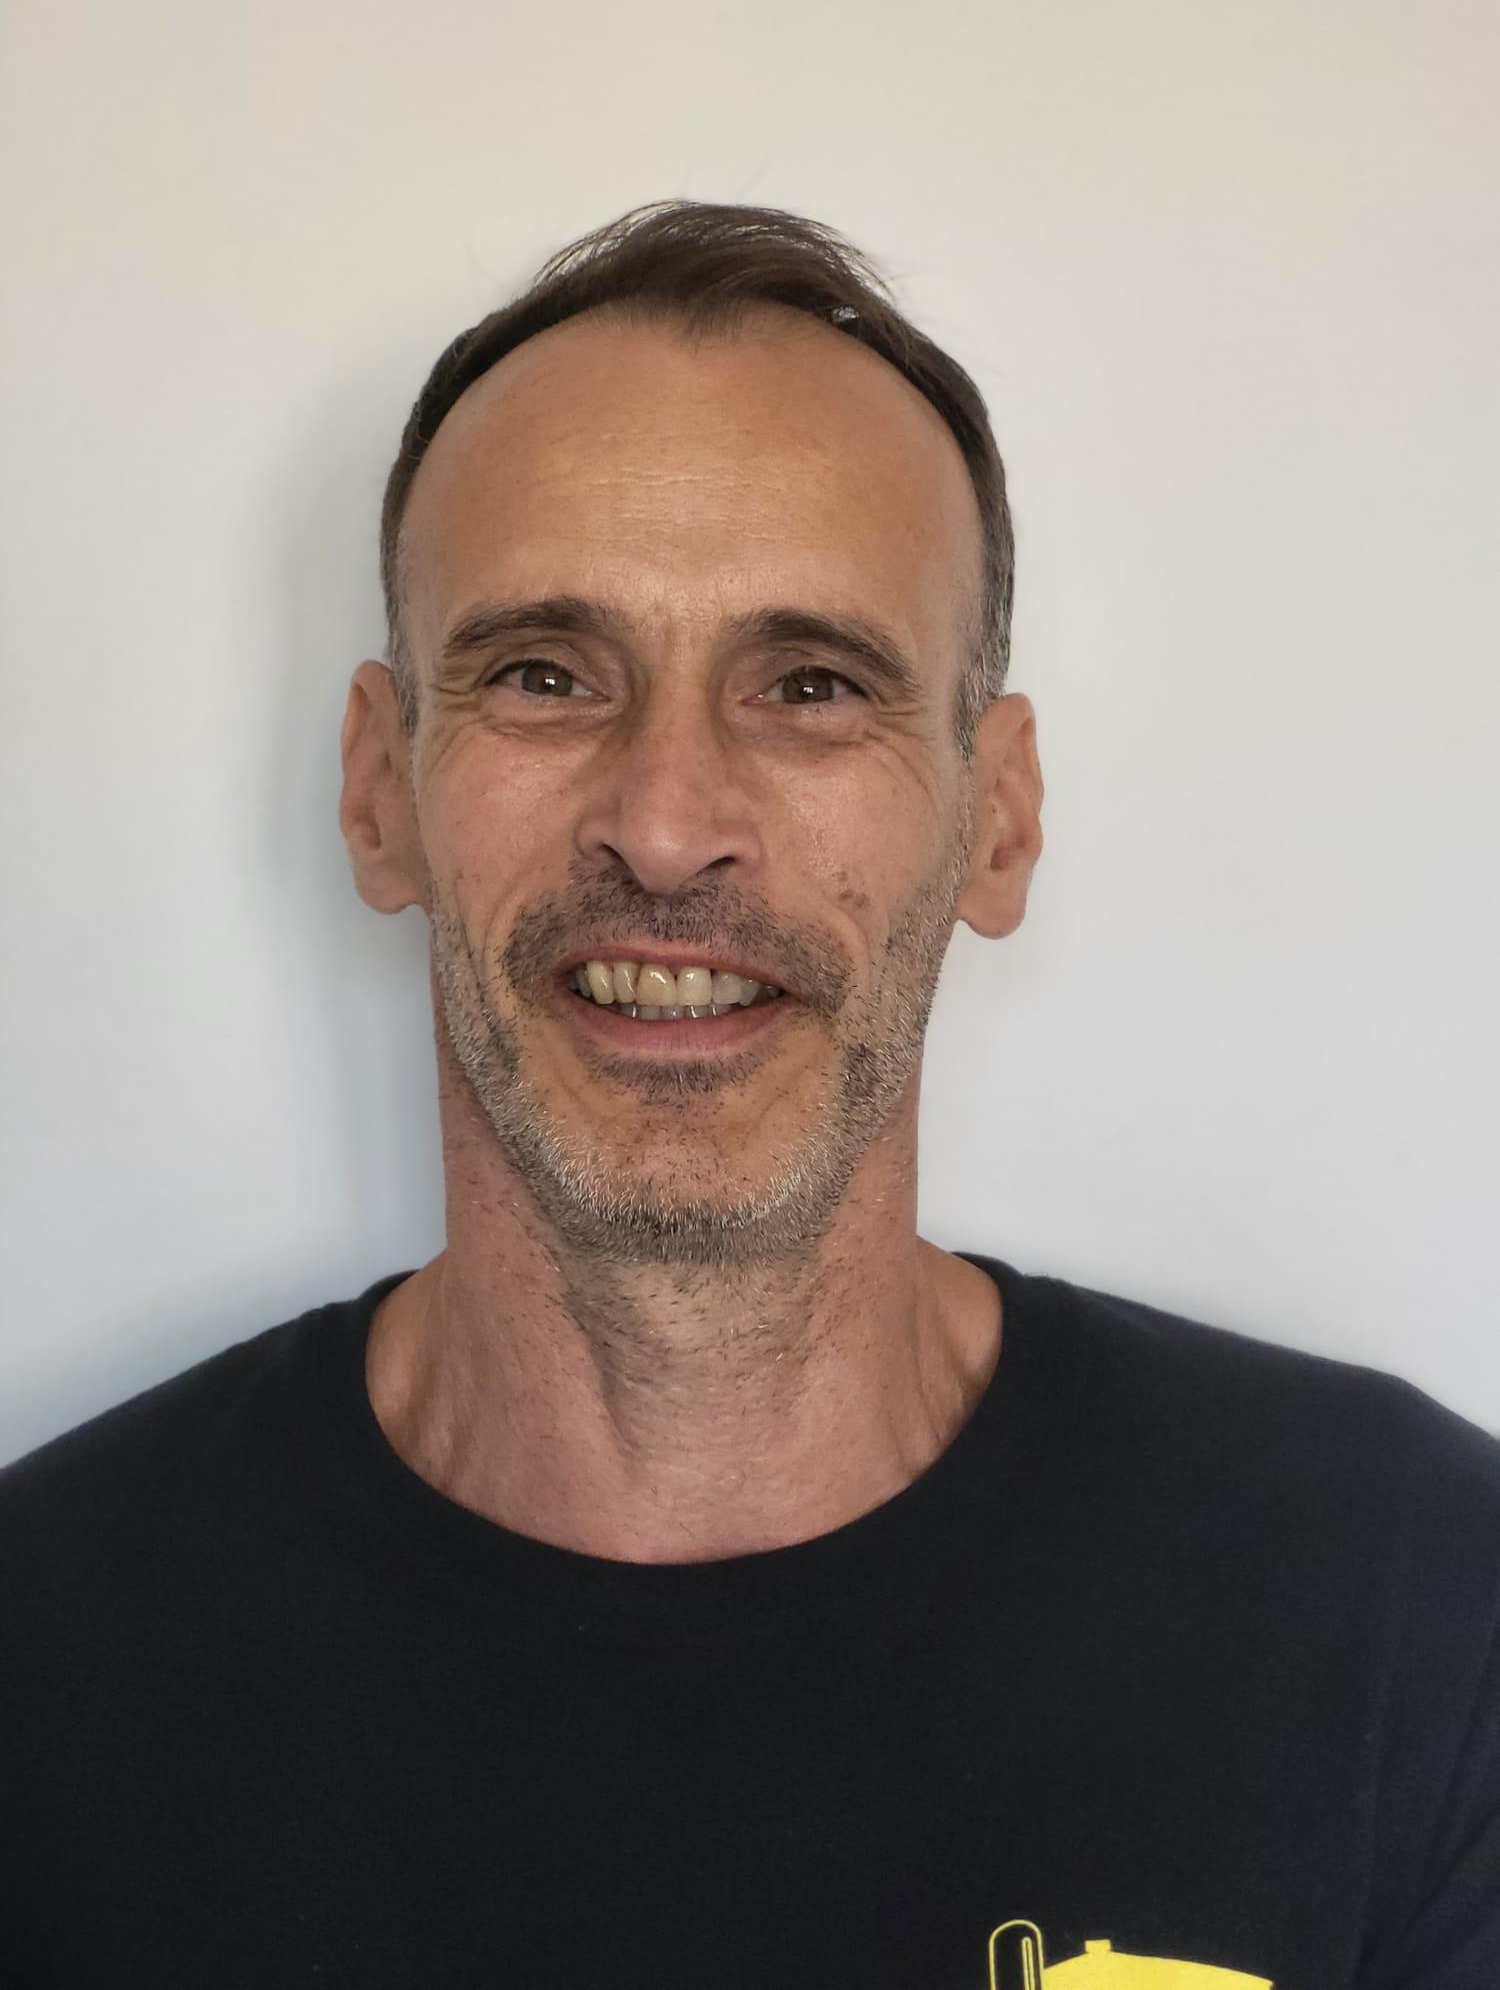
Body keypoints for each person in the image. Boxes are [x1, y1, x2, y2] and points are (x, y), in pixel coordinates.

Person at [1, 200, 1495, 1990]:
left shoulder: (1409, 1607)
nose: (666, 821)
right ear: (380, 791)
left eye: (812, 686)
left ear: (996, 819)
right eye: (545, 675)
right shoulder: (47, 1660)